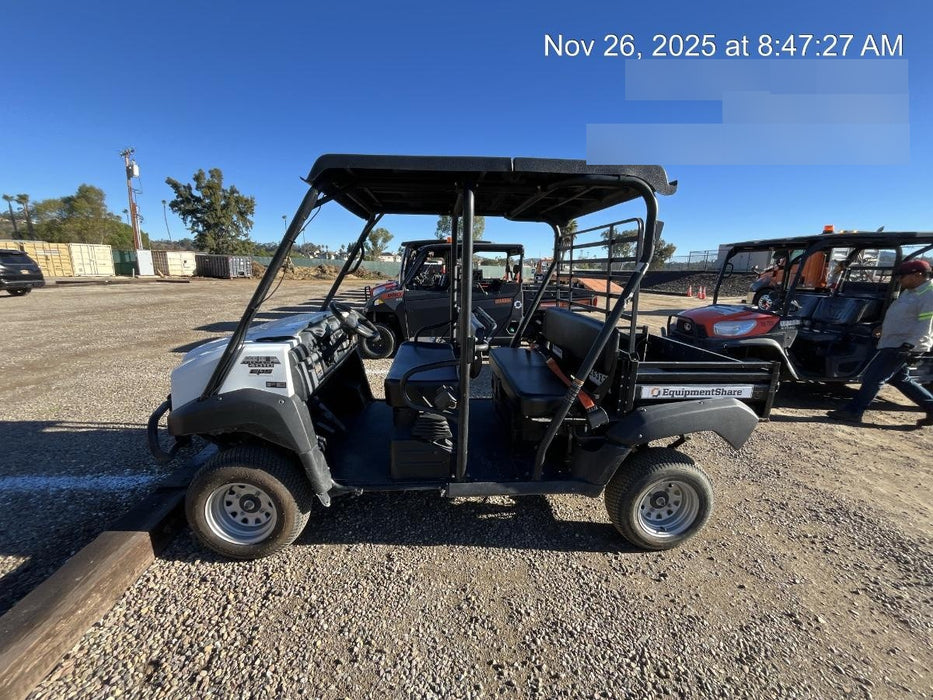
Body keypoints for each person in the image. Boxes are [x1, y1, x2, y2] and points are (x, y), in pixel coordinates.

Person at [827, 259, 933, 427]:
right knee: (901, 379)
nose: (899, 280)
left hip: (903, 345)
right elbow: (902, 314)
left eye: (902, 276)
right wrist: (883, 327)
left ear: (917, 275)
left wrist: (909, 345)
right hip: (893, 340)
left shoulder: (929, 294)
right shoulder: (911, 290)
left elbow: (925, 324)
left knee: (873, 377)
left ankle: (853, 412)